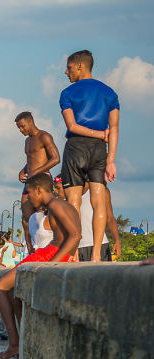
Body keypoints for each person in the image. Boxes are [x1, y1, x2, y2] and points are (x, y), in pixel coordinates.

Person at [0, 173, 81, 359]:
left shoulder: (55, 205)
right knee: (13, 291)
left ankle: (14, 344)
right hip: (52, 253)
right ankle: (22, 341)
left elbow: (75, 236)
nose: (29, 199)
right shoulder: (64, 205)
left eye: (31, 193)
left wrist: (53, 262)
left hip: (50, 253)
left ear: (39, 190)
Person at [59, 49, 120, 262]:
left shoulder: (67, 93)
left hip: (76, 147)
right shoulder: (109, 92)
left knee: (73, 202)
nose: (66, 72)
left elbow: (72, 125)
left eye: (68, 67)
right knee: (98, 201)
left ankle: (74, 253)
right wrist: (111, 160)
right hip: (99, 150)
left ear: (79, 66)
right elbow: (114, 127)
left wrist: (95, 133)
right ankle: (95, 254)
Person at [15, 111, 61, 253]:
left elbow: (56, 158)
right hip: (29, 181)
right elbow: (32, 159)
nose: (21, 130)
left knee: (43, 214)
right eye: (19, 128)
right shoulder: (27, 141)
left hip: (42, 179)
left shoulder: (44, 136)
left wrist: (36, 171)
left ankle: (51, 247)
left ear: (31, 122)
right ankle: (31, 251)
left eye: (22, 126)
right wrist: (24, 170)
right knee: (26, 218)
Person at [78, 186, 121, 262]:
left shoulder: (102, 190)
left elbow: (110, 217)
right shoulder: (68, 192)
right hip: (74, 247)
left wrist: (117, 240)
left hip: (98, 245)